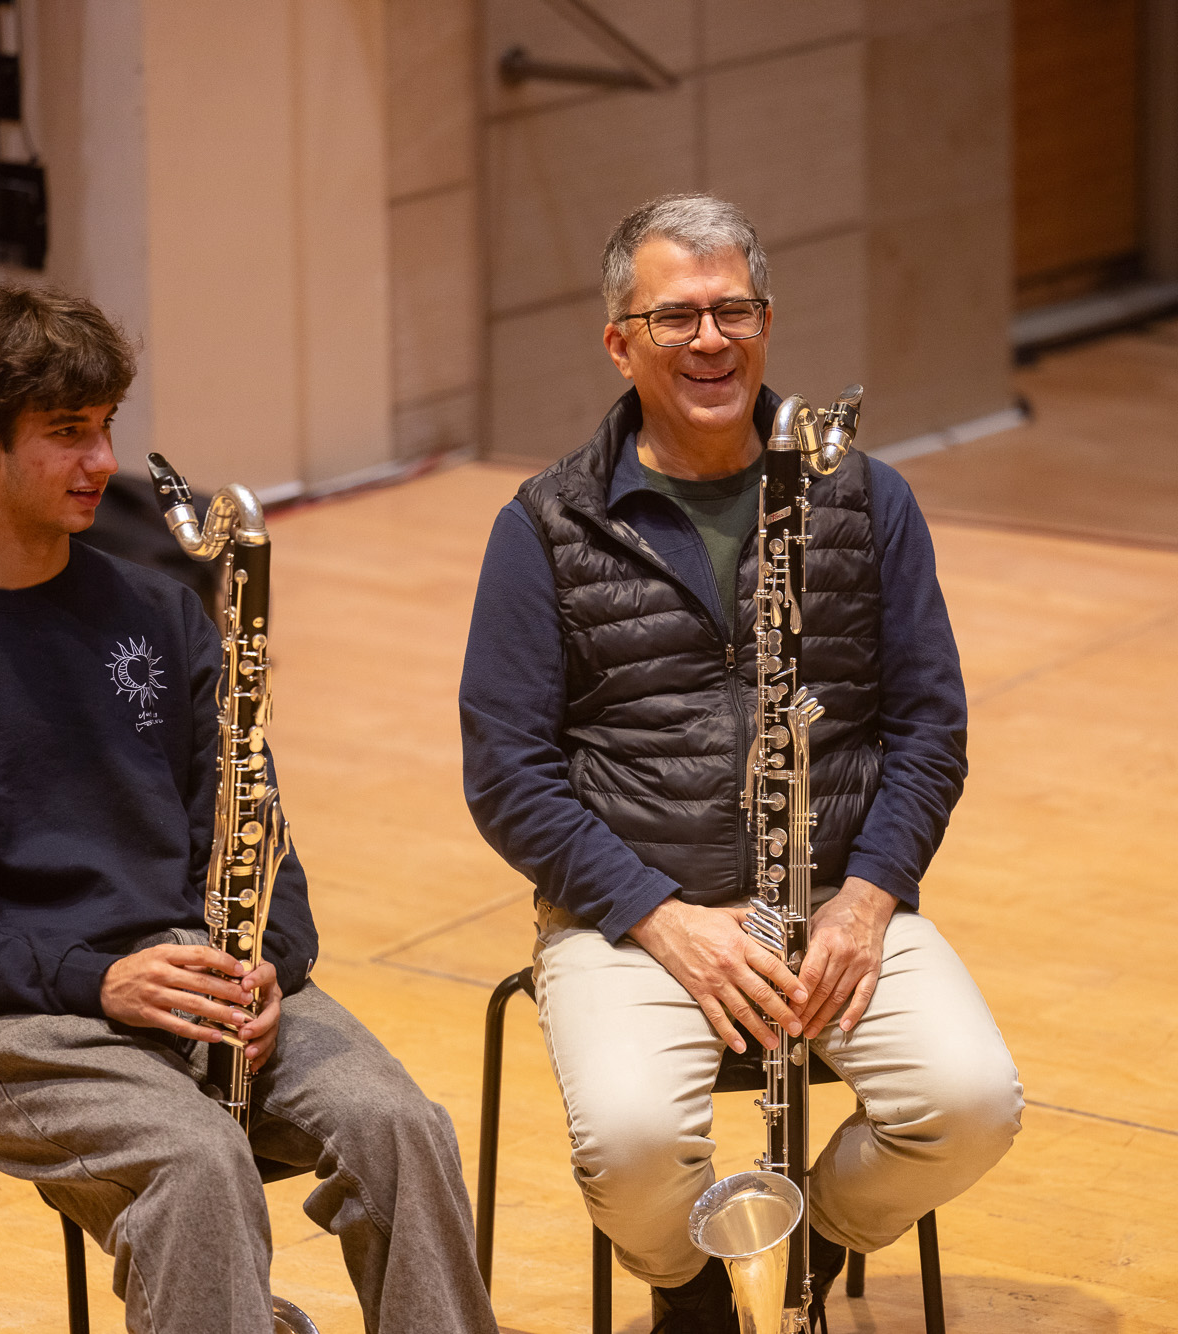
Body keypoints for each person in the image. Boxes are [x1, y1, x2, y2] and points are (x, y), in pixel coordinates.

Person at [0, 286, 499, 1334]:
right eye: (66, 434)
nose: (101, 461)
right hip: (18, 1019)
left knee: (398, 1122)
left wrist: (275, 955)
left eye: (102, 428)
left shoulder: (156, 609)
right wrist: (104, 979)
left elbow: (250, 822)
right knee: (197, 1162)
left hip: (200, 971)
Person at [459, 193, 1022, 1332]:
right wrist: (658, 914)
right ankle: (698, 1290)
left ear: (767, 323)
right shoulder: (545, 523)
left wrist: (867, 902)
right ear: (619, 341)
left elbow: (928, 726)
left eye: (732, 311)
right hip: (632, 921)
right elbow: (506, 769)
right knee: (627, 1146)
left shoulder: (864, 495)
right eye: (674, 318)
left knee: (970, 1104)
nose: (709, 339)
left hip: (833, 904)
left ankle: (797, 1249)